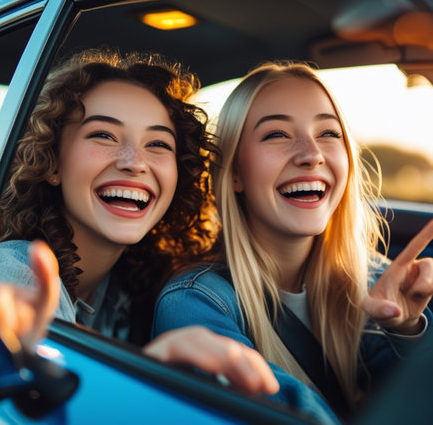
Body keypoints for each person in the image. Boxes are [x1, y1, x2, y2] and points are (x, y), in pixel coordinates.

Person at [0, 49, 279, 396]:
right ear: (52, 163)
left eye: (157, 143)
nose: (134, 162)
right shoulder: (19, 267)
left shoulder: (140, 284)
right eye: (103, 135)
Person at [152, 61, 433, 423]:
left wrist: (407, 330)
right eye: (277, 135)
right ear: (235, 173)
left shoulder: (371, 276)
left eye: (328, 133)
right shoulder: (194, 301)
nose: (311, 154)